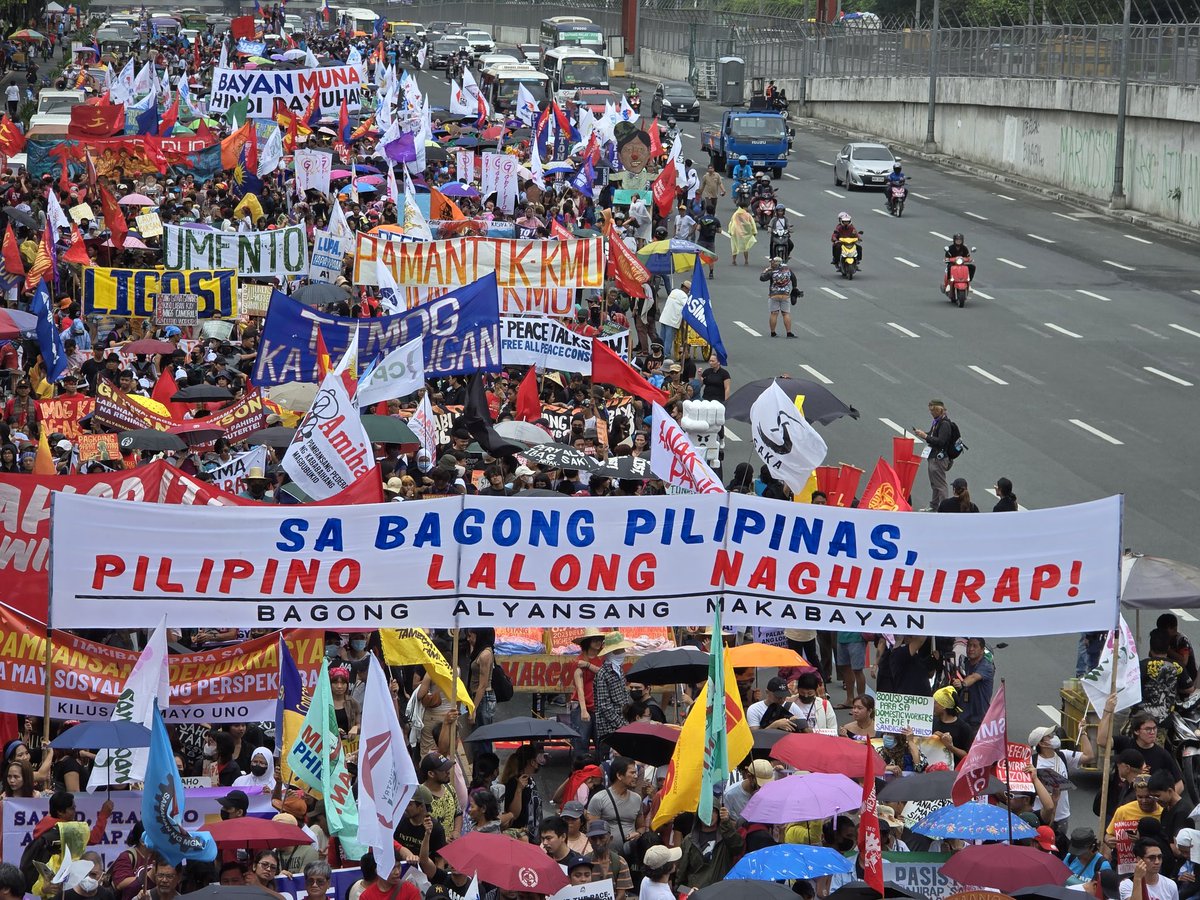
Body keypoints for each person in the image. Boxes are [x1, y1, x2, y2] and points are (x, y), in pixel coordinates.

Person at [1029, 724, 1094, 827]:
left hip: (1062, 817)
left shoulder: (1063, 755)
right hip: (1041, 816)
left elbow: (1089, 756)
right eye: (1049, 736)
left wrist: (1082, 733)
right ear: (1041, 743)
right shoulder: (1031, 762)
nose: (1054, 737)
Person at [586, 757, 644, 855]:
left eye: (636, 773)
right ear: (619, 775)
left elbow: (641, 827)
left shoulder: (637, 799)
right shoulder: (599, 798)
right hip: (606, 856)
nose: (635, 776)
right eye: (632, 773)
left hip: (631, 855)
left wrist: (638, 834)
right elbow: (592, 831)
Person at [676, 807, 744, 891]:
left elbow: (738, 847)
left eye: (713, 811)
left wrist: (726, 824)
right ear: (699, 814)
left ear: (718, 814)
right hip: (697, 894)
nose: (710, 814)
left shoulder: (725, 837)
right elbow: (681, 873)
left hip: (720, 892)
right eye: (706, 810)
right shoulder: (689, 840)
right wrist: (685, 891)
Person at [592, 632, 633, 759]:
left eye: (622, 649)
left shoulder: (618, 670)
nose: (623, 652)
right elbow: (605, 707)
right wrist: (622, 724)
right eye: (619, 650)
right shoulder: (603, 674)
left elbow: (624, 697)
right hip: (609, 730)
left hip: (621, 726)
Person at [913, 400, 955, 511]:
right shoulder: (937, 422)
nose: (931, 413)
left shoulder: (944, 424)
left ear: (938, 410)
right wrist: (923, 434)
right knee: (934, 483)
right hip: (934, 456)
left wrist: (925, 437)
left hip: (939, 458)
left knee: (940, 484)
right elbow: (933, 435)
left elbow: (941, 441)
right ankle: (934, 505)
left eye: (932, 410)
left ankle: (944, 508)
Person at [953, 637, 994, 732]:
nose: (971, 649)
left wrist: (962, 684)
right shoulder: (966, 663)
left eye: (975, 646)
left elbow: (973, 677)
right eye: (969, 645)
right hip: (963, 716)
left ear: (982, 650)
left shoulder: (986, 666)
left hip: (978, 719)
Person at [586, 821, 634, 900]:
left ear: (610, 838)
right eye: (593, 838)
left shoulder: (620, 862)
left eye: (602, 838)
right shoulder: (585, 862)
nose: (598, 842)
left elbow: (621, 894)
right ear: (589, 840)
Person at [420, 752, 461, 839]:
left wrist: (456, 831)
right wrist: (441, 840)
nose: (448, 772)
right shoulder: (420, 795)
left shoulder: (450, 788)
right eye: (443, 770)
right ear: (431, 774)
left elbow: (458, 813)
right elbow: (418, 825)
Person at [722, 759, 775, 824]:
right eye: (760, 783)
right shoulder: (730, 794)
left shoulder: (771, 792)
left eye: (767, 784)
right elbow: (725, 822)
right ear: (749, 776)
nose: (763, 787)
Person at [759, 256, 798, 339]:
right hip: (785, 295)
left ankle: (773, 333)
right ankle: (789, 333)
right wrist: (794, 288)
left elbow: (762, 278)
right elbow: (794, 279)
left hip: (774, 295)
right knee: (786, 314)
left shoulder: (772, 272)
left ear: (774, 264)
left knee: (774, 313)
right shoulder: (788, 271)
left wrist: (766, 270)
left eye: (772, 262)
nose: (771, 263)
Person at [931, 686, 972, 759]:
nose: (933, 706)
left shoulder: (963, 728)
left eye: (935, 703)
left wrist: (950, 746)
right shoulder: (933, 722)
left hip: (953, 769)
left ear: (943, 706)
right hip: (933, 767)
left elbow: (967, 756)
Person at [659, 282, 689, 354]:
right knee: (668, 340)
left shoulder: (674, 291)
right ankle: (666, 354)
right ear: (685, 288)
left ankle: (660, 353)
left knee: (662, 338)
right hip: (672, 320)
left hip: (664, 317)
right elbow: (687, 307)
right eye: (688, 290)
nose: (688, 292)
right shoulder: (683, 296)